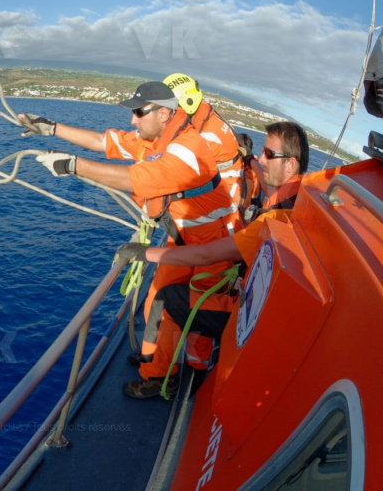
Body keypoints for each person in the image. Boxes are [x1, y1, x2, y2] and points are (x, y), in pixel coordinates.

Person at [19, 81, 241, 398]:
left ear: (164, 113)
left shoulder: (187, 151)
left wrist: (72, 166)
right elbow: (104, 141)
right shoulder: (158, 138)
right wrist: (51, 127)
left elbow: (131, 178)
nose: (133, 121)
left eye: (138, 112)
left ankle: (190, 374)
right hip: (183, 239)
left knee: (188, 308)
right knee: (156, 301)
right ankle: (157, 365)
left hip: (214, 248)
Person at [115, 121, 310, 398]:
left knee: (166, 299)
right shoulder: (294, 197)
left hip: (247, 314)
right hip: (264, 305)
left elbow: (207, 254)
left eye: (269, 153)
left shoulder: (276, 219)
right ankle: (171, 359)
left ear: (290, 165)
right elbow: (266, 184)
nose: (263, 159)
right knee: (197, 288)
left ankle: (160, 379)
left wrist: (144, 254)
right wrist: (252, 159)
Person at [163, 73, 244, 209]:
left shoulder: (208, 135)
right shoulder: (208, 119)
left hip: (227, 194)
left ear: (187, 104)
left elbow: (176, 170)